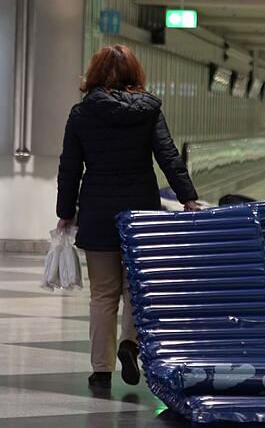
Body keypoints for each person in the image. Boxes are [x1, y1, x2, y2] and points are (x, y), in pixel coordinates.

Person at [56, 45, 199, 390]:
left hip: (98, 211)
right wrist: (188, 198)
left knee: (103, 293)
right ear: (136, 73)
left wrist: (65, 213)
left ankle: (101, 369)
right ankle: (129, 344)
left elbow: (70, 167)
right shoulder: (149, 111)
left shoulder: (81, 114)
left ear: (94, 73)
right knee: (136, 289)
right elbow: (168, 156)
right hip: (140, 212)